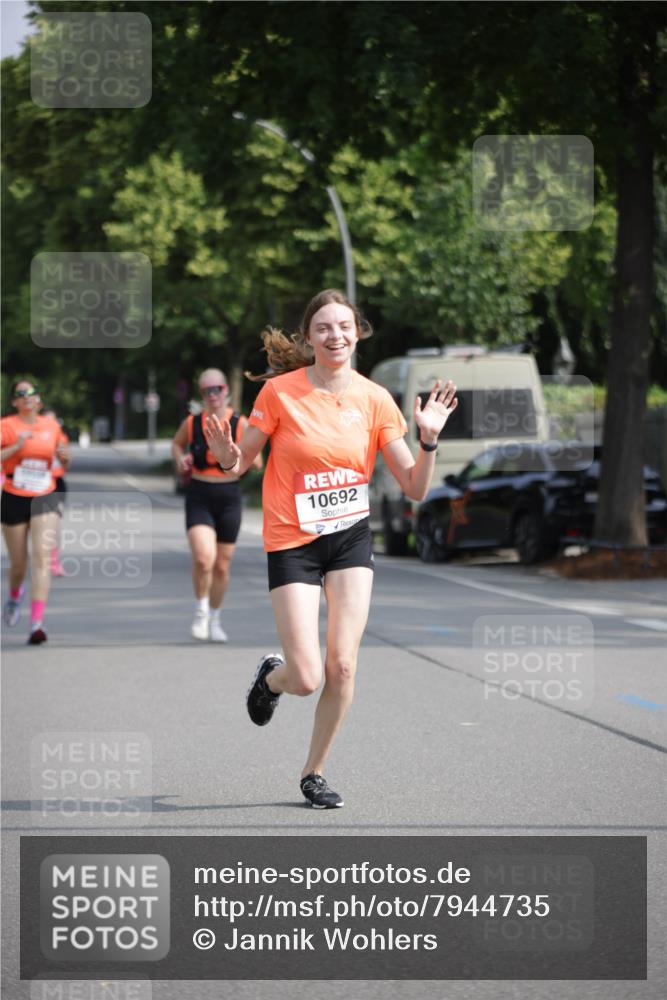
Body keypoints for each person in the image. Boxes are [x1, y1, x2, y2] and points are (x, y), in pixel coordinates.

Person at [204, 289, 458, 808]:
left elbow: (413, 486)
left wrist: (429, 441)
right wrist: (227, 456)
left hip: (348, 539)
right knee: (307, 676)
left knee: (343, 667)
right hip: (292, 541)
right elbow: (241, 464)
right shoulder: (279, 394)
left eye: (344, 326)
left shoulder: (375, 399)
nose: (335, 335)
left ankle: (313, 772)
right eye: (323, 327)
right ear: (309, 337)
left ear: (358, 331)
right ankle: (272, 681)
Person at [172, 369, 262, 642]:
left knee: (222, 565)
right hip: (200, 492)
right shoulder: (193, 423)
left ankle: (215, 618)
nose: (213, 395)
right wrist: (181, 459)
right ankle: (200, 611)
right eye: (207, 391)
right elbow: (177, 444)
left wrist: (238, 452)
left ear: (227, 391)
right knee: (203, 557)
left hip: (229, 495)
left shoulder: (240, 422)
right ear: (201, 395)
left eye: (217, 389)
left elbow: (257, 461)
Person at [1, 380, 70, 644]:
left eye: (31, 393)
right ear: (14, 402)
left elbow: (65, 458)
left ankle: (36, 624)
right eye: (20, 394)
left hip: (45, 495)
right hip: (14, 496)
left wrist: (65, 457)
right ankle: (14, 596)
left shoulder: (51, 427)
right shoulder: (6, 426)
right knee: (19, 565)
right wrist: (16, 447)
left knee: (41, 558)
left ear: (39, 400)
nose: (26, 397)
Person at [41, 407, 70, 577]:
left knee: (54, 526)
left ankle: (54, 561)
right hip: (33, 485)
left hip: (56, 483)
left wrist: (63, 457)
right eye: (47, 420)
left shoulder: (61, 438)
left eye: (53, 420)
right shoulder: (30, 437)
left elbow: (66, 465)